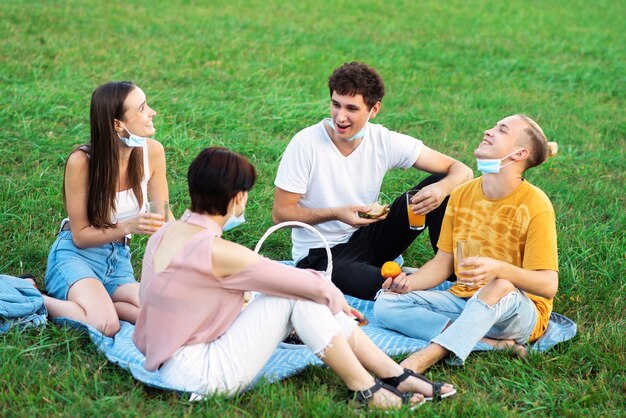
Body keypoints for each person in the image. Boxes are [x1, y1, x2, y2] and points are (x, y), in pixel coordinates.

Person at [132, 147, 456, 409]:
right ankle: (369, 387)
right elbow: (303, 282)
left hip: (171, 361)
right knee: (296, 294)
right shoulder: (220, 252)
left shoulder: (167, 232)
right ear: (237, 199)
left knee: (296, 294)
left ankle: (395, 375)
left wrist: (323, 294)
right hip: (201, 374)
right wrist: (336, 300)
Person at [272, 61, 473, 300]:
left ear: (374, 109)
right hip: (321, 254)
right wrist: (336, 213)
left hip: (369, 236)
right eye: (335, 105)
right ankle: (400, 283)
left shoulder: (382, 140)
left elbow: (462, 170)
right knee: (378, 285)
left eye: (352, 109)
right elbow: (280, 214)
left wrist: (441, 189)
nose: (341, 117)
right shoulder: (305, 144)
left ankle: (450, 272)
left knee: (443, 182)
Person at [374, 114, 559, 373]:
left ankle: (430, 355)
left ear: (519, 154)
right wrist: (408, 284)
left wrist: (498, 269)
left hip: (518, 312)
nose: (488, 131)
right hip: (465, 301)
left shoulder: (536, 205)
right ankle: (491, 344)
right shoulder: (461, 194)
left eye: (501, 130)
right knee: (386, 303)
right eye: (494, 126)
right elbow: (442, 263)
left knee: (500, 284)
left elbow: (548, 286)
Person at [43, 81, 173, 337]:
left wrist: (199, 245)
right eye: (143, 108)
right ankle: (34, 294)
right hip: (76, 254)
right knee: (106, 325)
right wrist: (128, 226)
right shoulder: (82, 162)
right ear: (117, 125)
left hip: (117, 259)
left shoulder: (153, 153)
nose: (152, 112)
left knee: (166, 312)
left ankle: (103, 303)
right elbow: (80, 236)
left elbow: (164, 217)